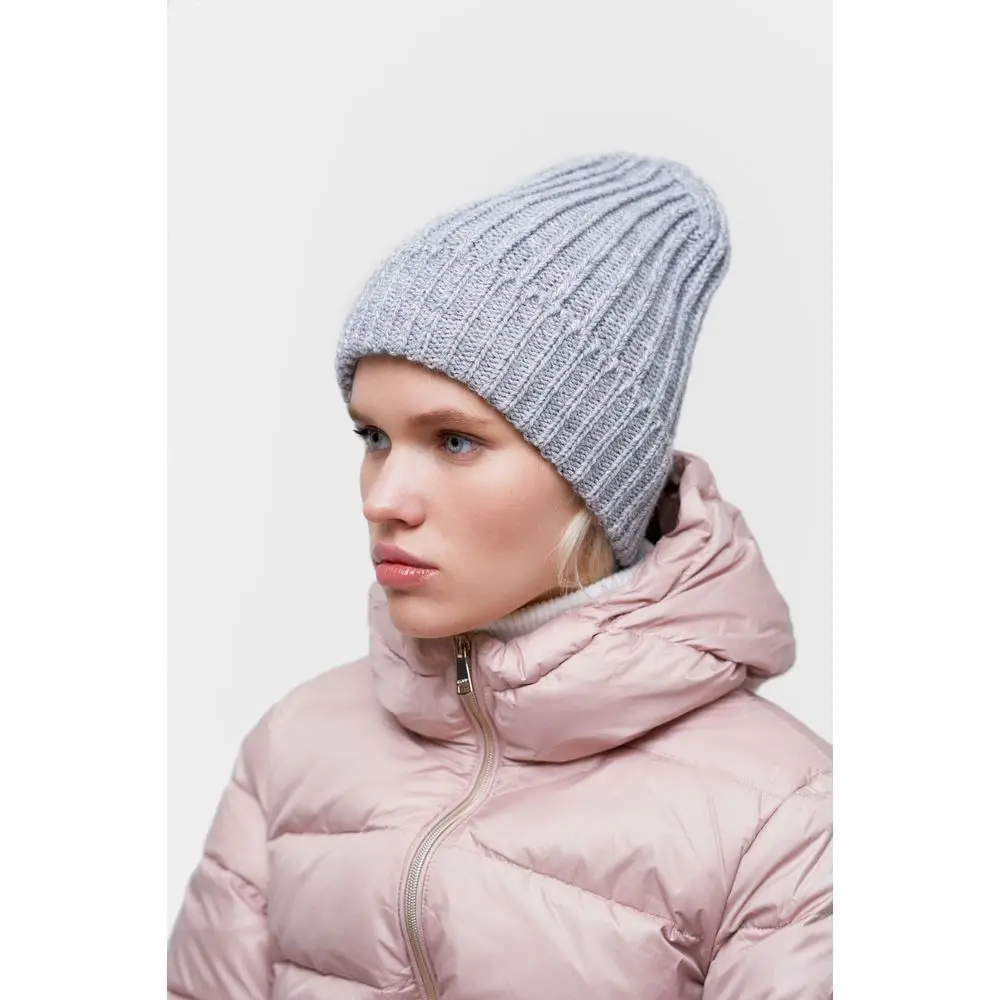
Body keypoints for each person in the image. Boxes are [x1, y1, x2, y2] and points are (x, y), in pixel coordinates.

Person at [168, 152, 832, 999]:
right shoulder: (292, 747)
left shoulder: (788, 817)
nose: (384, 498)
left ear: (595, 480)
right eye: (374, 438)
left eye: (455, 441)